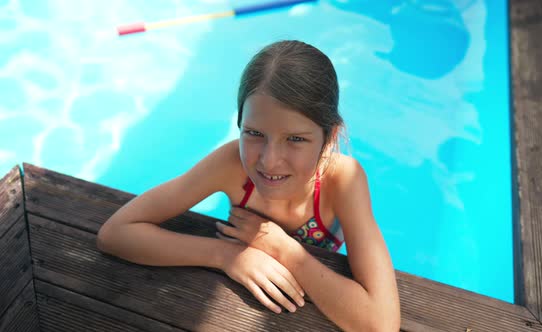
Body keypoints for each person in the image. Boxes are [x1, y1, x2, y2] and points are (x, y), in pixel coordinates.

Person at [97, 40, 401, 331]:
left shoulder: (343, 180)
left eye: (295, 139)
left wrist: (284, 250)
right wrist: (225, 256)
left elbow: (380, 323)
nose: (269, 161)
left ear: (330, 137)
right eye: (254, 133)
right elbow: (116, 233)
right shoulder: (230, 164)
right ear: (240, 122)